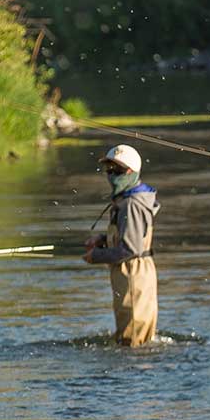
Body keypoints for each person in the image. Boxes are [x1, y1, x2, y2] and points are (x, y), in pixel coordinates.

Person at [84, 144, 161, 346]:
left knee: (132, 342)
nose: (111, 175)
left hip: (133, 274)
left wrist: (96, 257)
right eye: (109, 170)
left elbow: (130, 249)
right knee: (132, 336)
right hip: (132, 272)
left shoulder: (132, 204)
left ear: (130, 172)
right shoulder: (127, 200)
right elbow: (130, 236)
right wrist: (102, 240)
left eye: (117, 170)